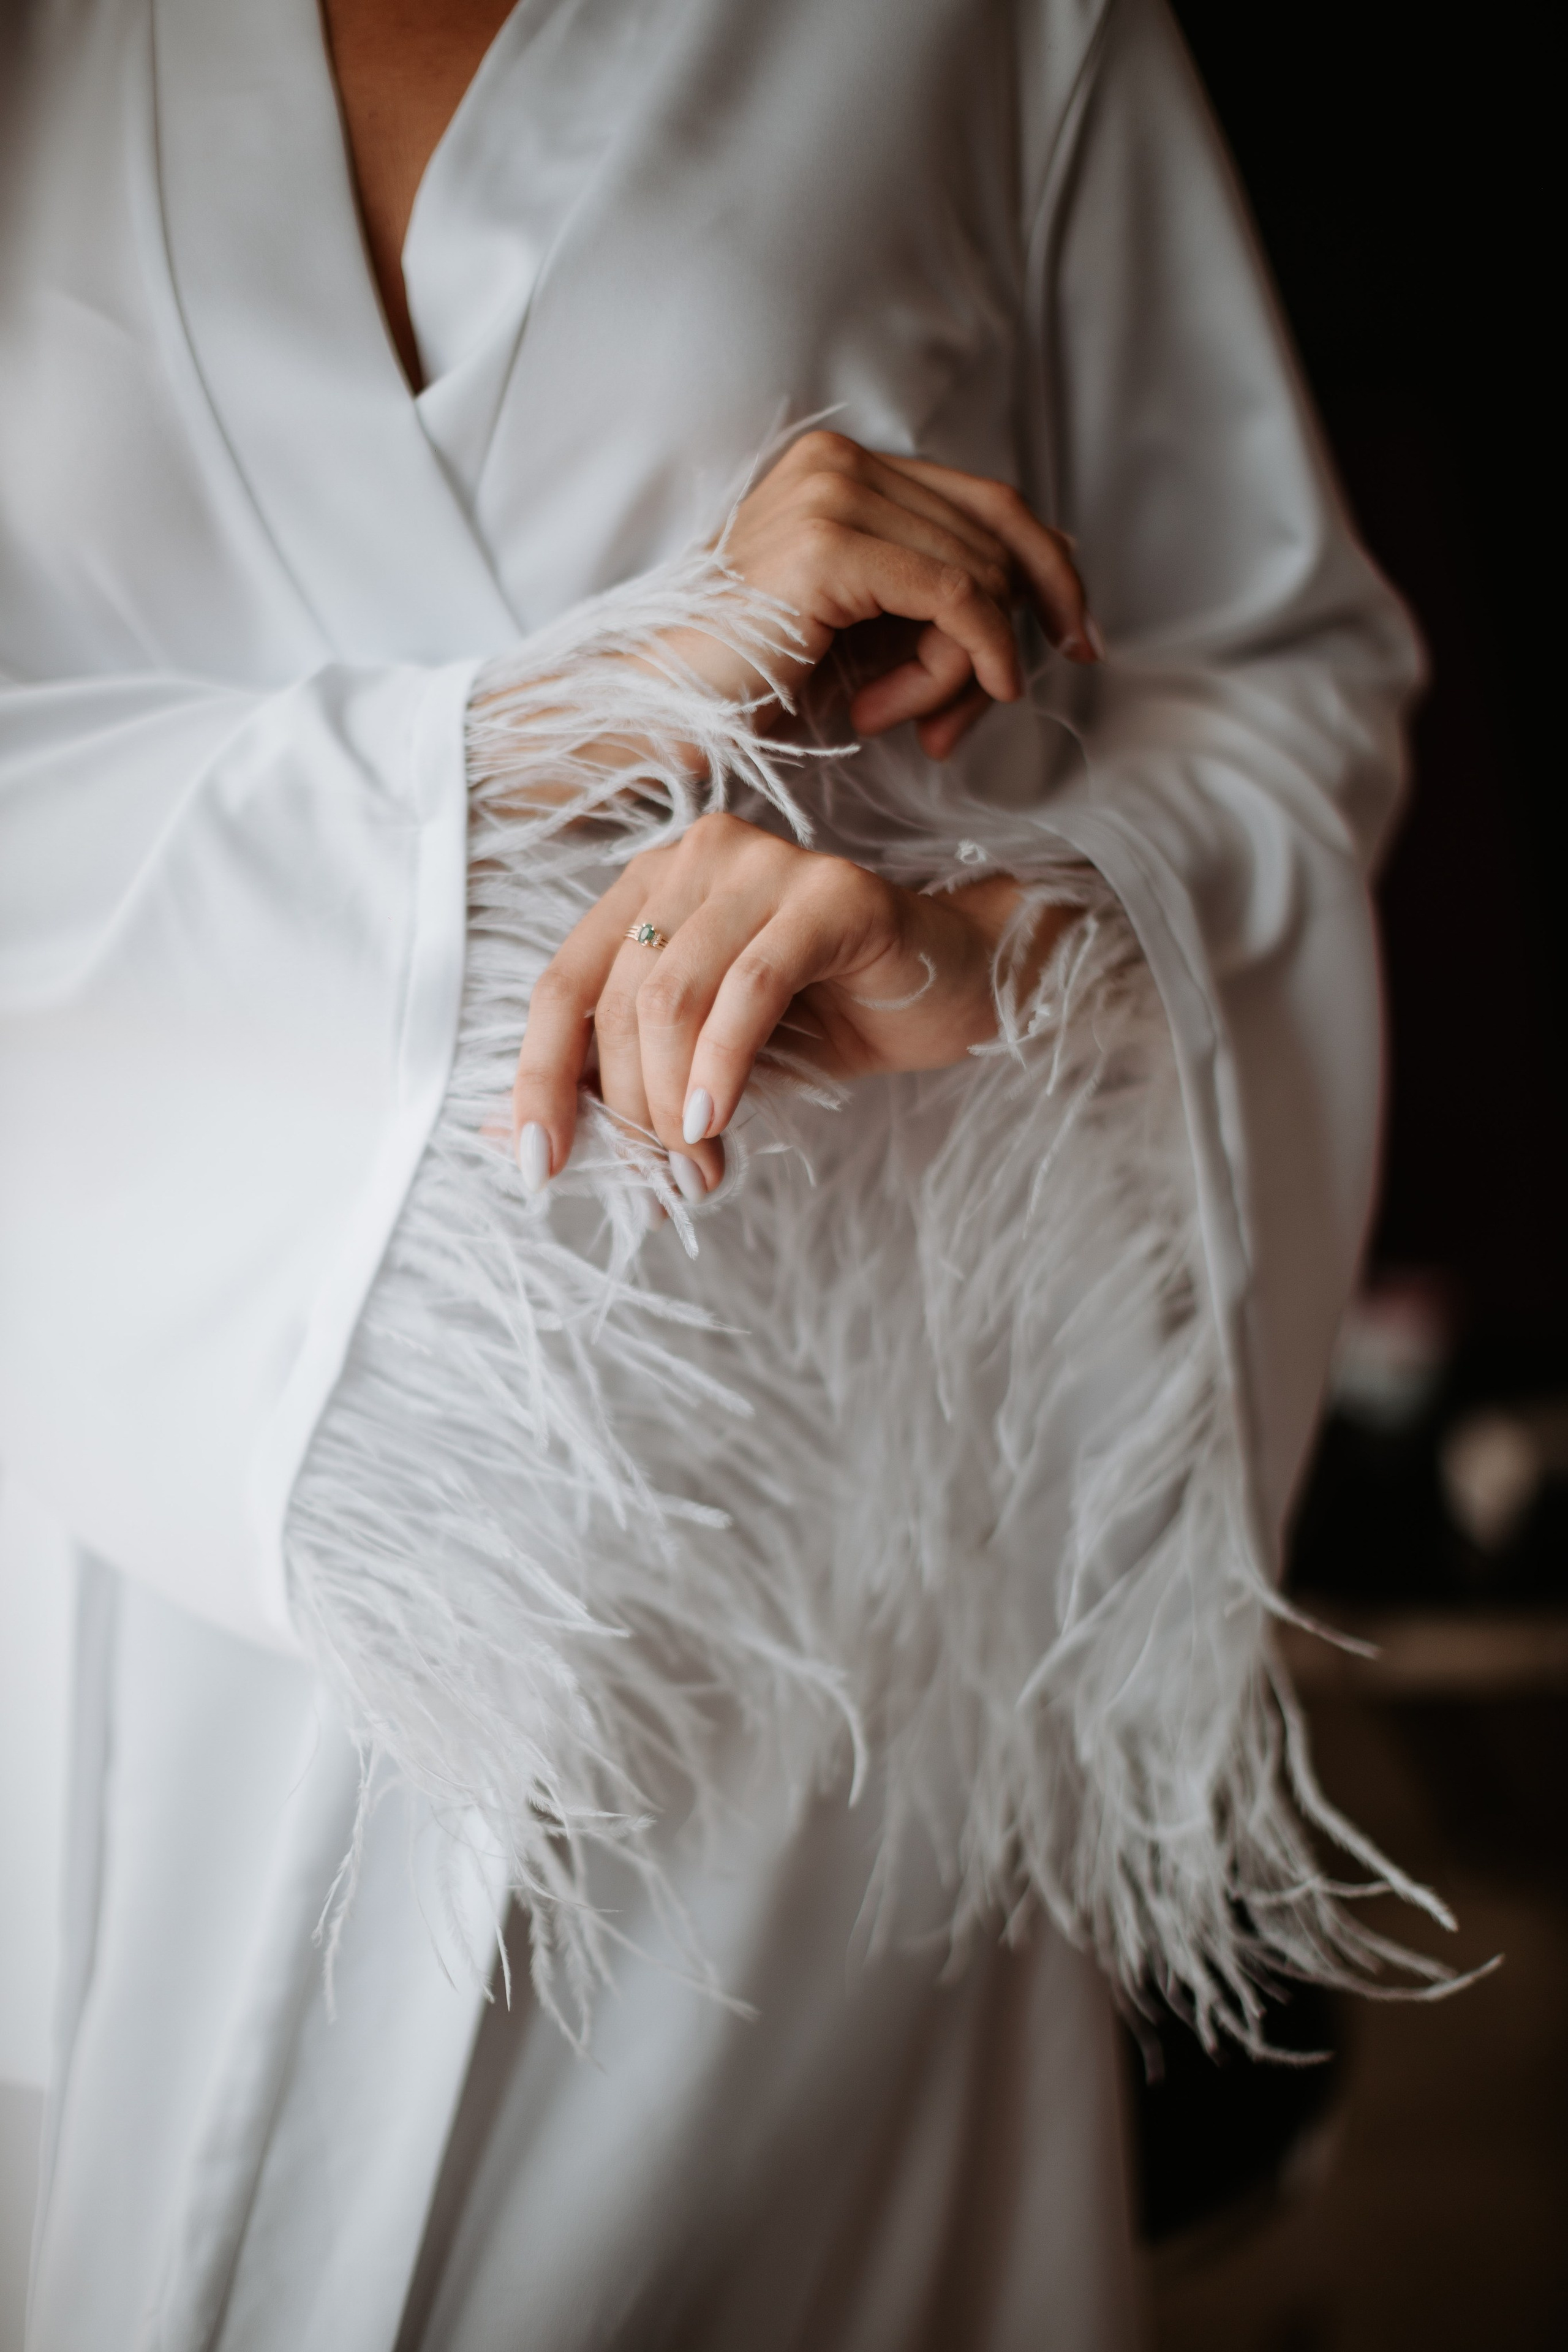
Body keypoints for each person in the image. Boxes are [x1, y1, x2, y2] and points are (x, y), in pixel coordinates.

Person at [0, 0, 1434, 2343]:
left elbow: (1283, 676)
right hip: (147, 1534)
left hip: (796, 1612)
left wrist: (994, 935)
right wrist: (602, 696)